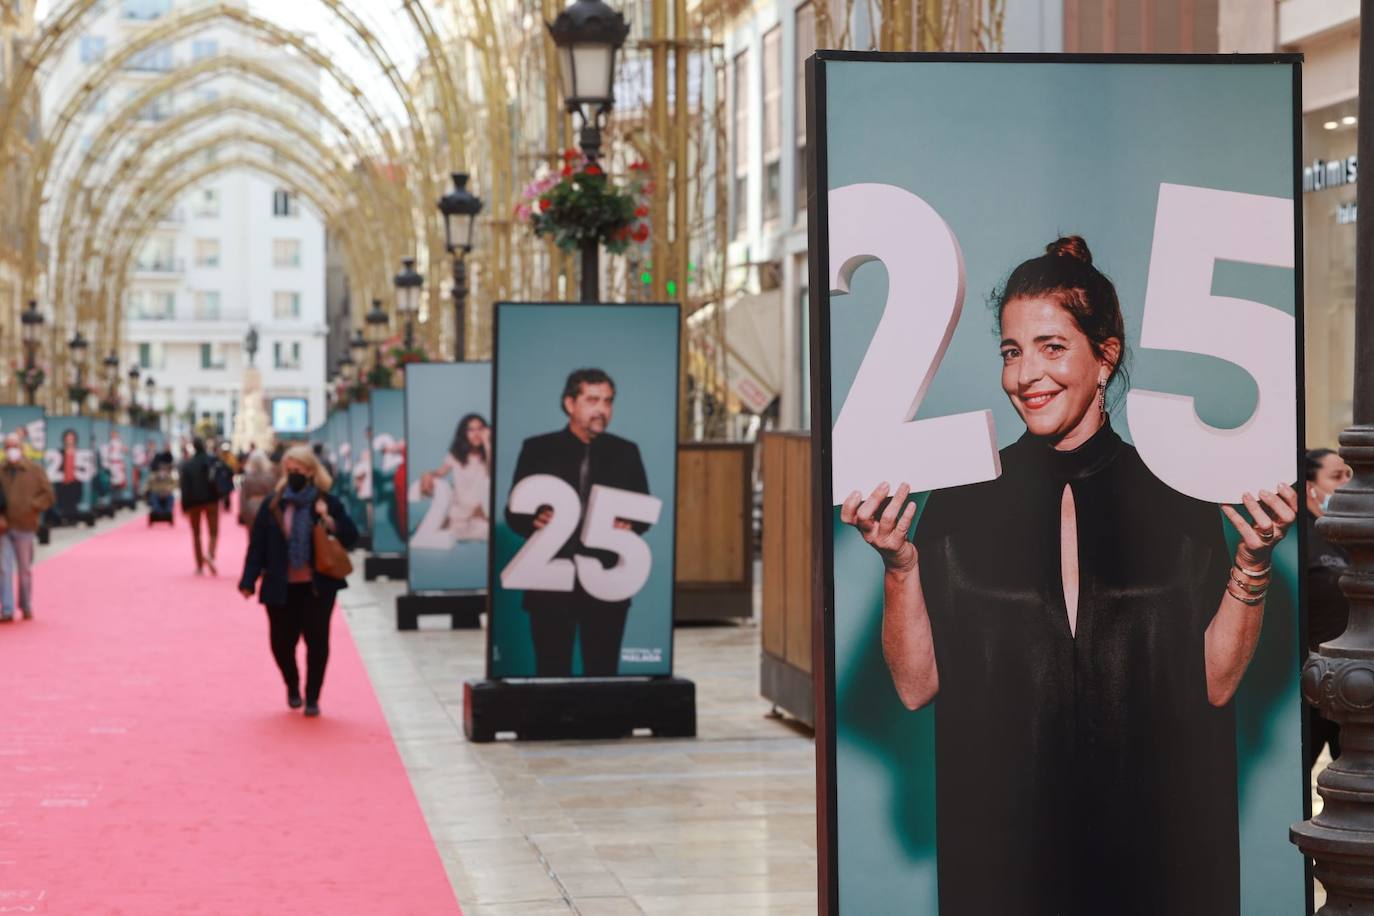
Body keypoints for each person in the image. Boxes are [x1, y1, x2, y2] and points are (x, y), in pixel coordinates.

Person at [840, 236, 1296, 915]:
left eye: (1052, 348)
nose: (1026, 375)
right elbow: (913, 687)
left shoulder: (1178, 492)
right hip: (1003, 854)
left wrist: (1252, 562)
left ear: (1104, 357)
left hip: (1159, 848)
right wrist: (900, 566)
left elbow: (1216, 681)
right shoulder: (962, 498)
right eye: (1011, 351)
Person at [505, 369, 651, 677]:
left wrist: (630, 525)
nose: (602, 409)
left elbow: (643, 512)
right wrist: (535, 519)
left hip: (607, 580)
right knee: (551, 668)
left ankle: (602, 725)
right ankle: (553, 725)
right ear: (570, 404)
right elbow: (513, 514)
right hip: (550, 580)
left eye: (608, 401)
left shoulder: (626, 452)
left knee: (603, 668)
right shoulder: (537, 449)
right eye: (592, 400)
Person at [238, 445, 358, 716]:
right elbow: (258, 546)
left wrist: (327, 518)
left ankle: (312, 696)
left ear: (311, 471)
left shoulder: (328, 502)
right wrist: (248, 579)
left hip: (317, 586)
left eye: (299, 470)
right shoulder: (273, 504)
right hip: (280, 585)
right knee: (281, 643)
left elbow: (351, 537)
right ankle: (292, 685)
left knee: (317, 642)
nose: (293, 475)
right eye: (289, 470)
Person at [1305, 447, 1353, 770]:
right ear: (1311, 488)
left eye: (1350, 474)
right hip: (1309, 685)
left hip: (1354, 685)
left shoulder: (1351, 535)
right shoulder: (1301, 540)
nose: (1348, 483)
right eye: (1337, 476)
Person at [413, 414, 491, 546]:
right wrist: (427, 474)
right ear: (464, 433)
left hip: (480, 509)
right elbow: (440, 472)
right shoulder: (456, 455)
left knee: (485, 530)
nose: (476, 433)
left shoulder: (489, 453)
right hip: (458, 507)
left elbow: (491, 471)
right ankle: (446, 524)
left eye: (480, 429)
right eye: (470, 430)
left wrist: (487, 443)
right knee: (441, 530)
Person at [0, 433, 55, 622]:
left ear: (21, 448)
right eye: (7, 446)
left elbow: (48, 495)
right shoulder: (1, 470)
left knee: (24, 570)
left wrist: (33, 506)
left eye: (14, 445)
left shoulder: (34, 470)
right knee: (4, 569)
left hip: (25, 526)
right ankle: (6, 609)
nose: (11, 450)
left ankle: (25, 604)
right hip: (4, 528)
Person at [178, 438, 220, 575]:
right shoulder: (212, 461)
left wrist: (184, 506)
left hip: (193, 503)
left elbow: (184, 487)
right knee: (213, 531)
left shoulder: (188, 464)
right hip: (212, 501)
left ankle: (199, 566)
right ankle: (210, 554)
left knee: (196, 534)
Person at [238, 450, 277, 527]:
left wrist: (242, 510)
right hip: (266, 506)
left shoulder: (248, 477)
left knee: (252, 532)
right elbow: (273, 494)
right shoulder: (271, 477)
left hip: (250, 506)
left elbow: (243, 496)